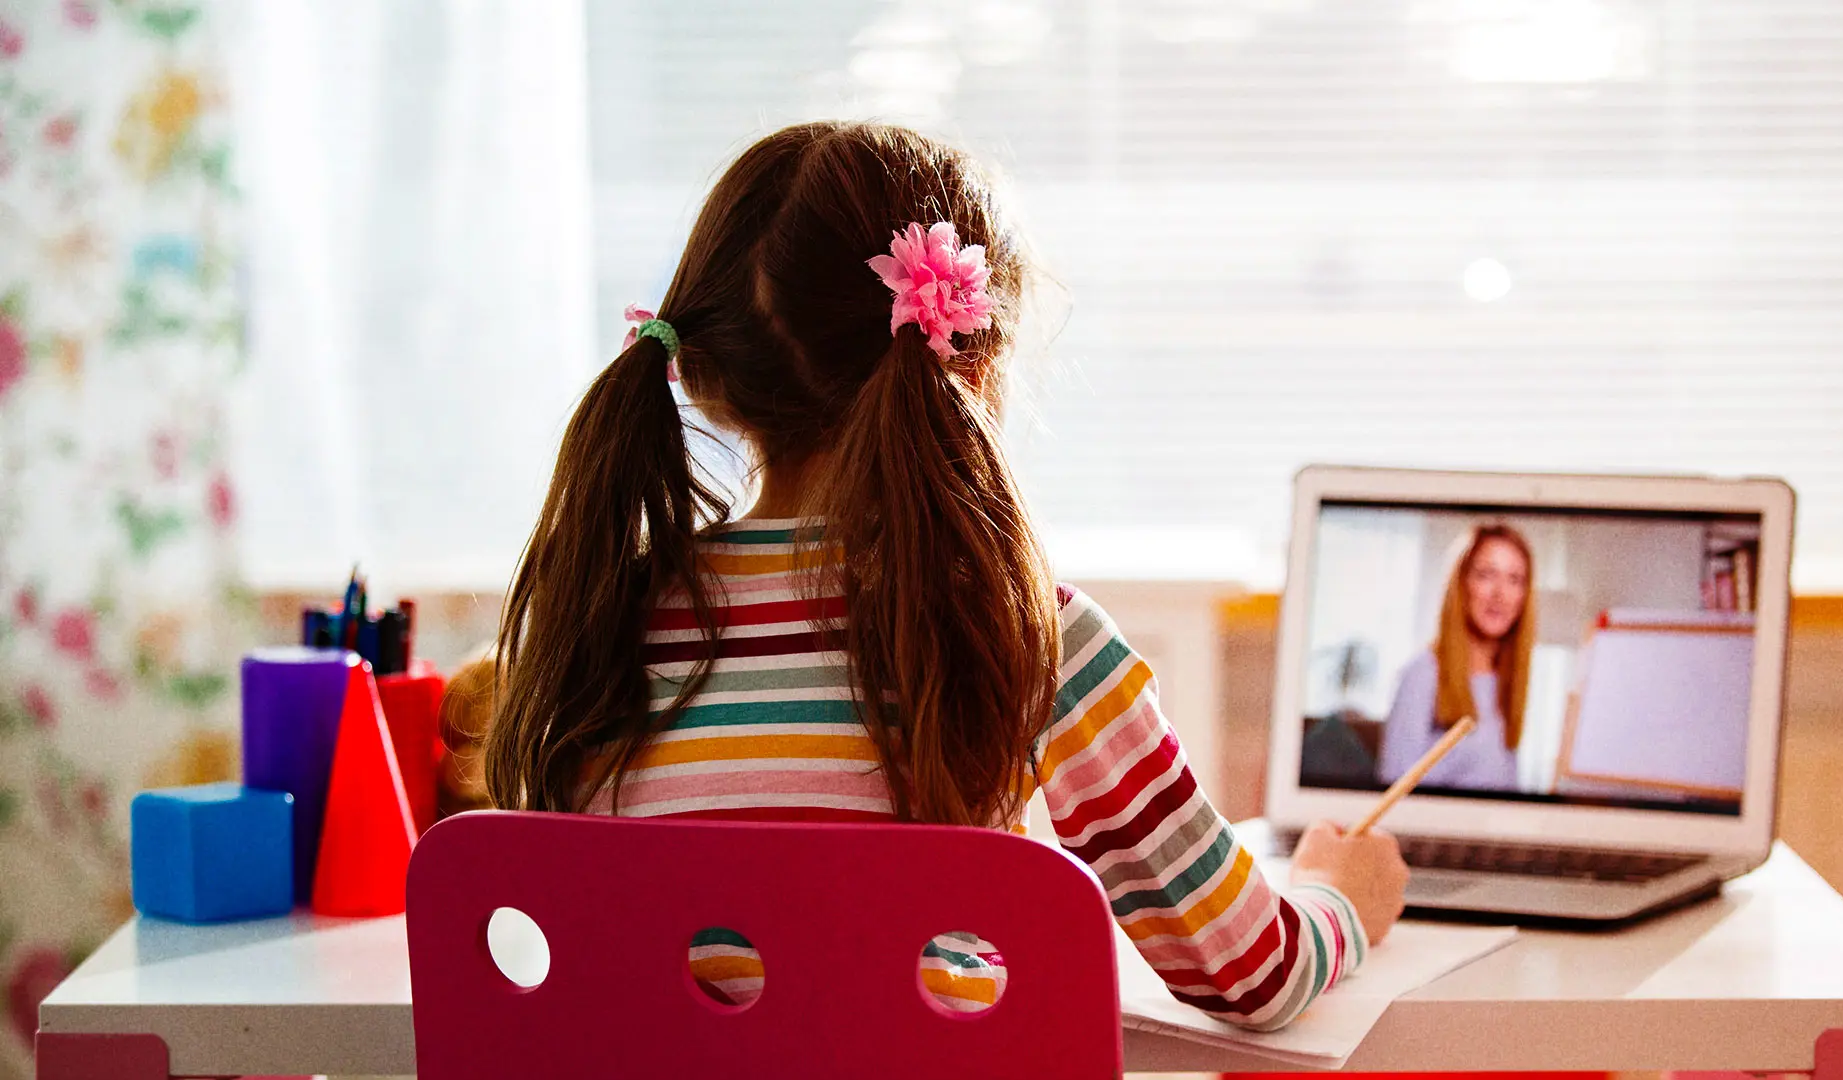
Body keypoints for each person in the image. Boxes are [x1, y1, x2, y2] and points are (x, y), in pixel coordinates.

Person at [484, 121, 1406, 1030]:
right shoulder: (1029, 631)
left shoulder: (598, 620)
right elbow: (1251, 973)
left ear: (702, 374)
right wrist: (1336, 900)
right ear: (973, 361)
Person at [1377, 524, 1537, 792]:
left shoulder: (1506, 681)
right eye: (1486, 575)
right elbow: (1393, 788)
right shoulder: (1422, 674)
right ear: (1462, 583)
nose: (1500, 593)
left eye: (1515, 579)